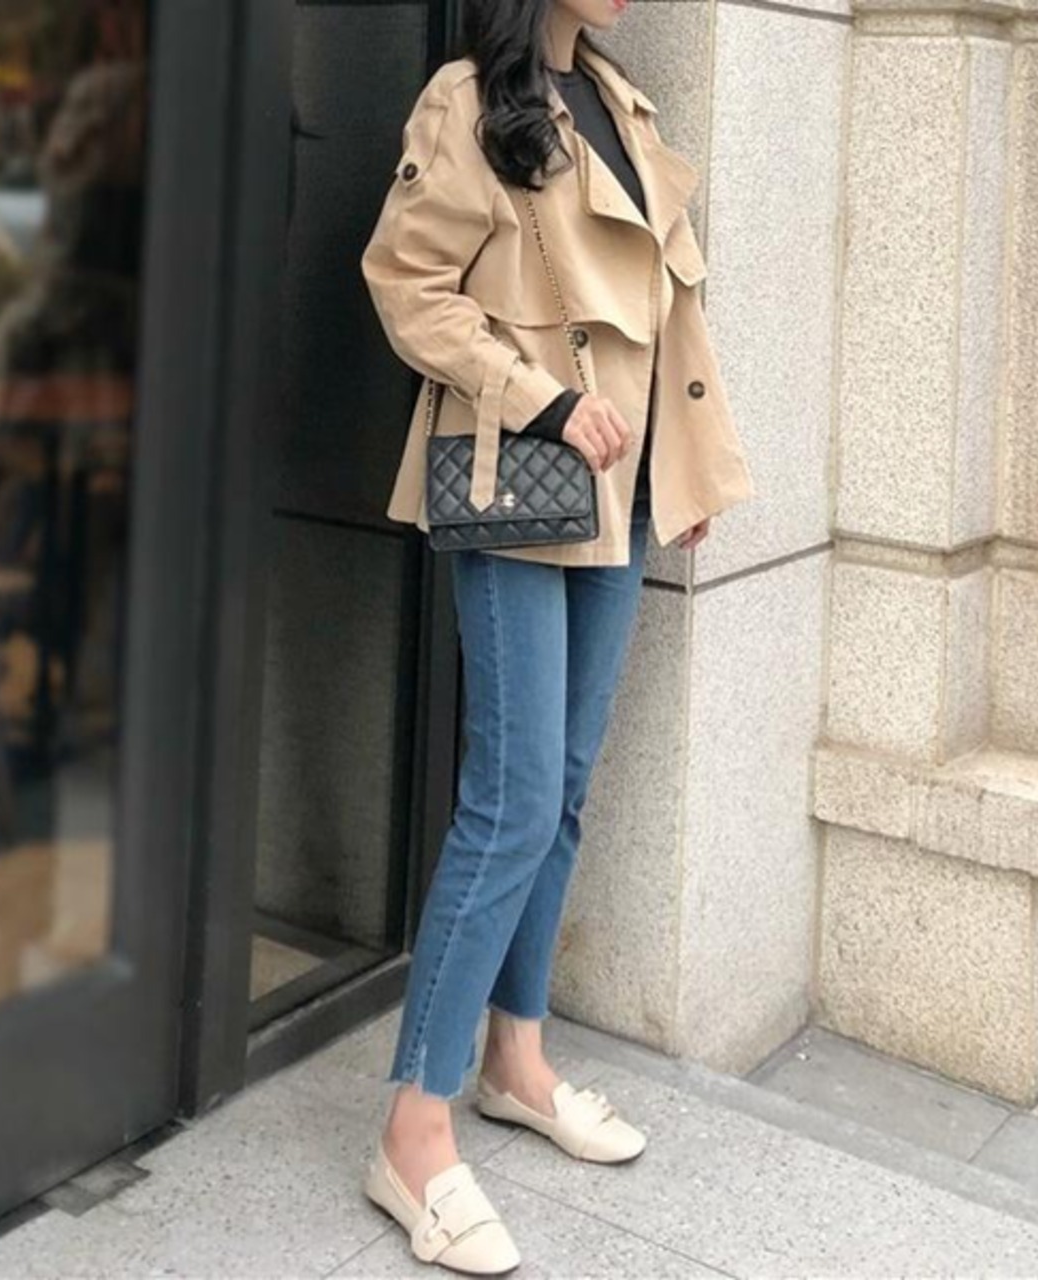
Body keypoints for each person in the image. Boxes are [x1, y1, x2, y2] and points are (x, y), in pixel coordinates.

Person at [358, 1, 755, 1271]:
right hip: (519, 481)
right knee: (512, 799)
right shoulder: (469, 97)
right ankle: (413, 1126)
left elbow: (668, 313)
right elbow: (406, 284)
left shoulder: (621, 102)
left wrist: (684, 469)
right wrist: (538, 400)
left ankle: (515, 1058)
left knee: (565, 789)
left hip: (622, 489)